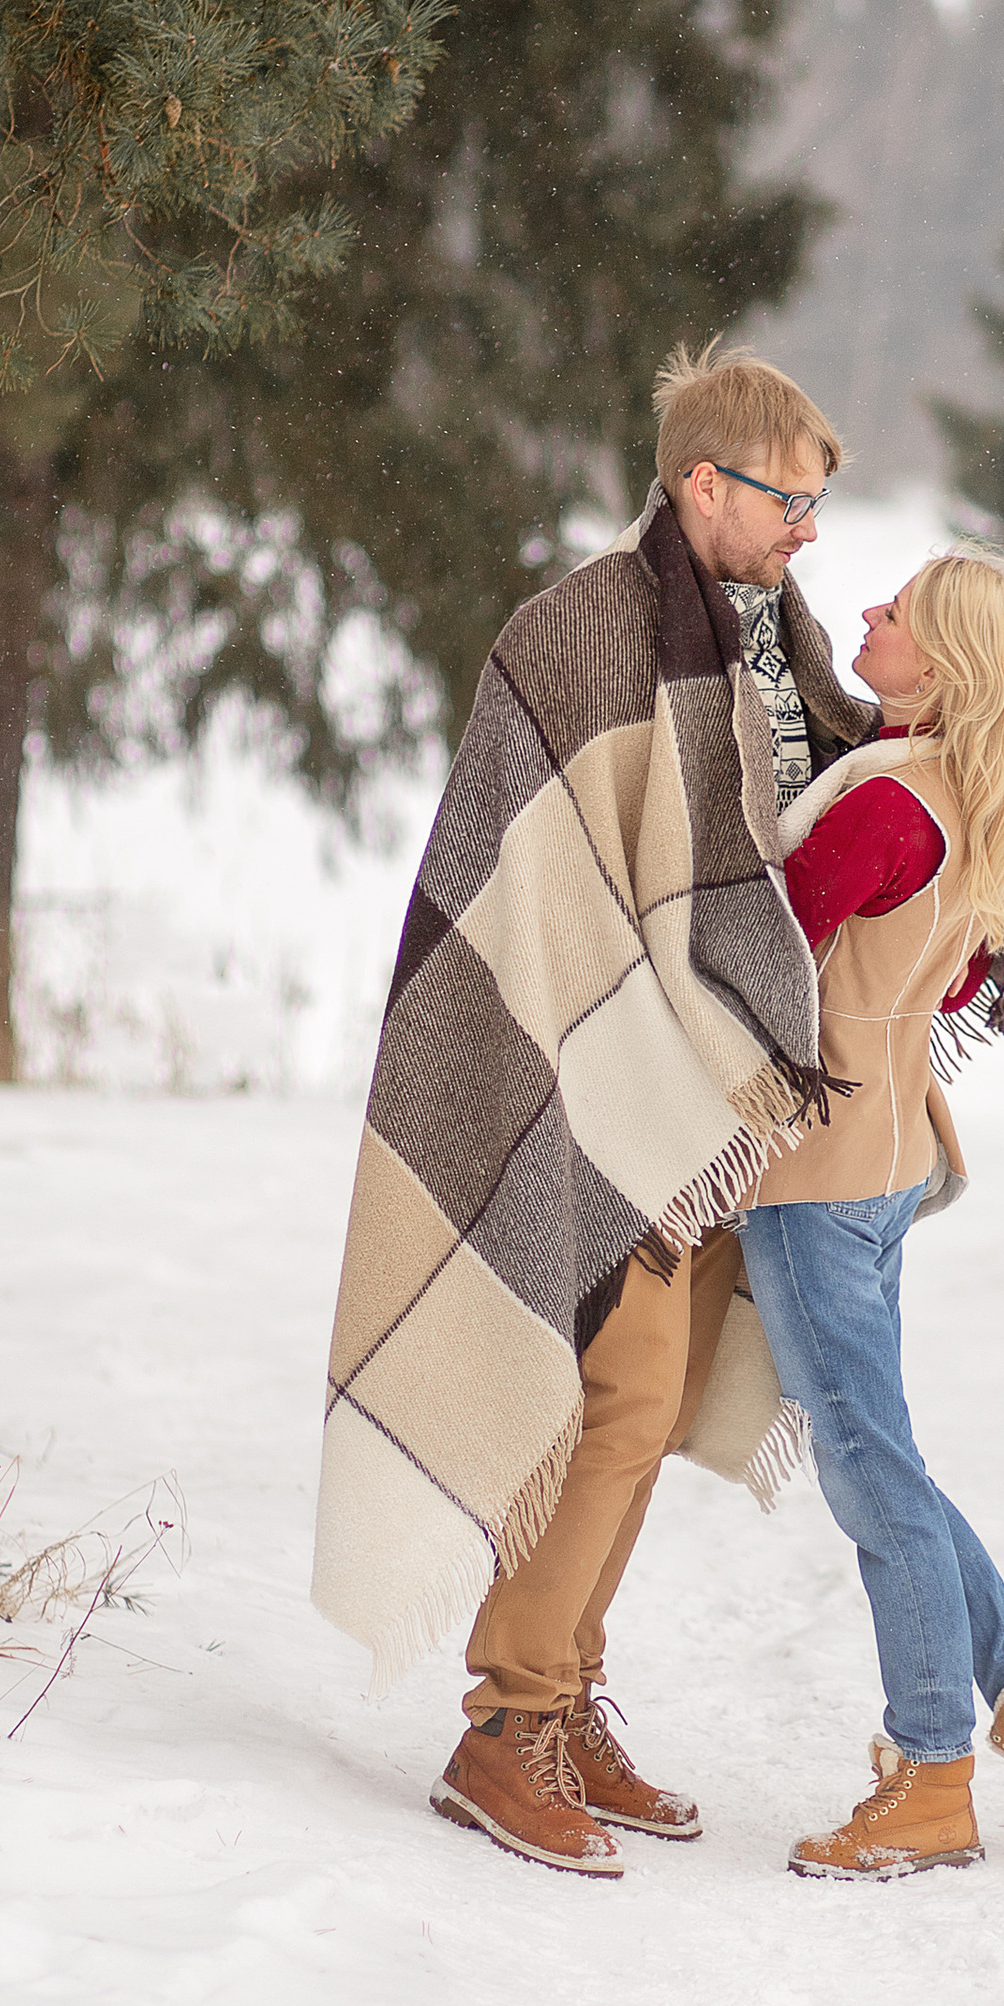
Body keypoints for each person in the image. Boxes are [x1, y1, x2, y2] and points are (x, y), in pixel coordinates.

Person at [311, 340, 878, 1875]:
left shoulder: (769, 640)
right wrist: (633, 1037)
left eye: (823, 507)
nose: (809, 533)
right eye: (790, 503)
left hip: (703, 1102)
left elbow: (776, 833)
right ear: (708, 484)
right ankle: (506, 1727)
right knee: (608, 1399)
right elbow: (540, 891)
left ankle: (563, 1694)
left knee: (658, 1398)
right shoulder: (575, 634)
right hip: (585, 1074)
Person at [735, 549, 1004, 1881]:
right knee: (885, 1458)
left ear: (944, 662)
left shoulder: (888, 808)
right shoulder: (970, 802)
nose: (865, 614)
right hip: (885, 1158)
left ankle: (928, 1774)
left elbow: (761, 957)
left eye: (895, 612)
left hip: (819, 1173)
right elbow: (949, 985)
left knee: (873, 1478)